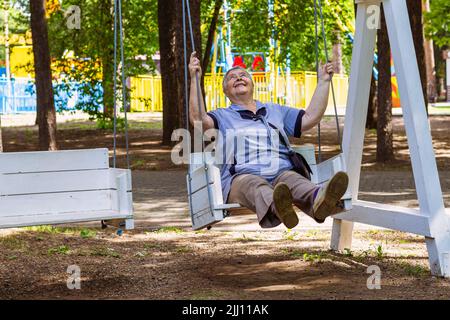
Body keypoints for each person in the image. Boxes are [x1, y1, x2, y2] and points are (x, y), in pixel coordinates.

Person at [188, 52, 349, 229]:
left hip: (282, 172)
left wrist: (324, 81)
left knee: (295, 181)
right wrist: (195, 78)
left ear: (252, 84)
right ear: (225, 91)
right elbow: (198, 119)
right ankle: (279, 208)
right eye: (232, 78)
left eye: (243, 75)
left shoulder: (274, 110)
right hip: (241, 177)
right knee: (256, 185)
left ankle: (320, 201)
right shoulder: (221, 116)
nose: (239, 78)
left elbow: (310, 117)